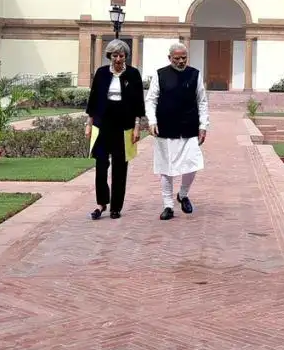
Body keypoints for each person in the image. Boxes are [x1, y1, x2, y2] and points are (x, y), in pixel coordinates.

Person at [145, 43, 208, 221]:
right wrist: (152, 121)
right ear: (170, 58)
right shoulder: (160, 74)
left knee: (193, 163)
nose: (180, 61)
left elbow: (202, 101)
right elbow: (151, 100)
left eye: (184, 58)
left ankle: (183, 194)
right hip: (165, 127)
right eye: (177, 58)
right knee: (166, 167)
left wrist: (203, 125)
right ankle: (168, 205)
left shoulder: (194, 74)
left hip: (189, 127)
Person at [86, 39, 145, 220]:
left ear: (126, 56)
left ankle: (116, 207)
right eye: (114, 56)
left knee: (120, 167)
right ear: (109, 56)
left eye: (121, 55)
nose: (118, 59)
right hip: (103, 124)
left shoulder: (133, 74)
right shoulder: (101, 73)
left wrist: (137, 127)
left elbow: (138, 103)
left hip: (123, 126)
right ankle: (101, 203)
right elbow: (93, 99)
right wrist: (88, 124)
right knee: (101, 165)